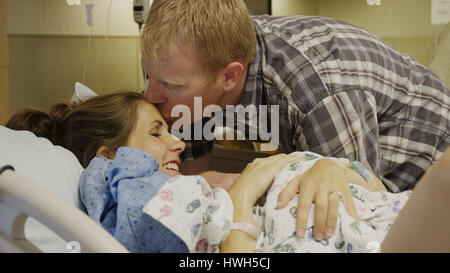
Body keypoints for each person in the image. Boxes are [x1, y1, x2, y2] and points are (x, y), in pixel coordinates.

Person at [140, 0, 450, 240]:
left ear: (230, 76)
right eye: (149, 75)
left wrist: (242, 202)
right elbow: (191, 180)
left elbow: (351, 216)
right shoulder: (187, 70)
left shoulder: (314, 92)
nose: (150, 94)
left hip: (428, 166)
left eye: (171, 85)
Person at [6, 91, 390, 253]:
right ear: (113, 159)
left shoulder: (193, 186)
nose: (177, 143)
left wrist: (327, 167)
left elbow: (374, 184)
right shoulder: (140, 211)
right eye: (157, 132)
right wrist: (242, 202)